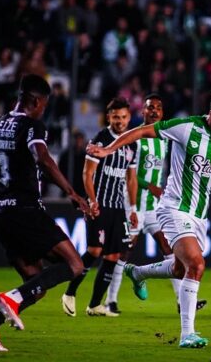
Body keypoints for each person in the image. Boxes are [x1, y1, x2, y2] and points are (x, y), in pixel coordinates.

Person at [88, 93, 211, 348]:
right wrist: (108, 149)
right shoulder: (186, 128)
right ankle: (188, 334)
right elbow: (141, 132)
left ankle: (137, 273)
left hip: (199, 215)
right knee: (196, 264)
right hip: (173, 207)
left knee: (180, 269)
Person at [0, 74, 90, 352]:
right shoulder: (32, 125)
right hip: (26, 209)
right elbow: (42, 158)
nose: (43, 110)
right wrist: (71, 191)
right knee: (75, 265)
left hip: (2, 213)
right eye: (44, 105)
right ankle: (7, 301)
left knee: (36, 285)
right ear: (35, 101)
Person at [104, 94, 206, 314]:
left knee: (169, 248)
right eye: (150, 108)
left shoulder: (166, 139)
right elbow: (128, 172)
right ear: (143, 111)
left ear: (162, 112)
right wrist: (150, 186)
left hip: (154, 207)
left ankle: (181, 302)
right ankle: (110, 301)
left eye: (158, 108)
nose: (154, 112)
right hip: (132, 203)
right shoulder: (136, 137)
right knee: (125, 251)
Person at [61, 98, 138, 317]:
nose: (120, 121)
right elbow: (88, 174)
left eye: (123, 117)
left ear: (129, 117)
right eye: (115, 117)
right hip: (100, 205)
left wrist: (132, 207)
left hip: (118, 207)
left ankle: (95, 305)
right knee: (94, 250)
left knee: (113, 255)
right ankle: (70, 292)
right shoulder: (100, 140)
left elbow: (131, 179)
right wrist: (93, 201)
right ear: (109, 117)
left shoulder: (131, 143)